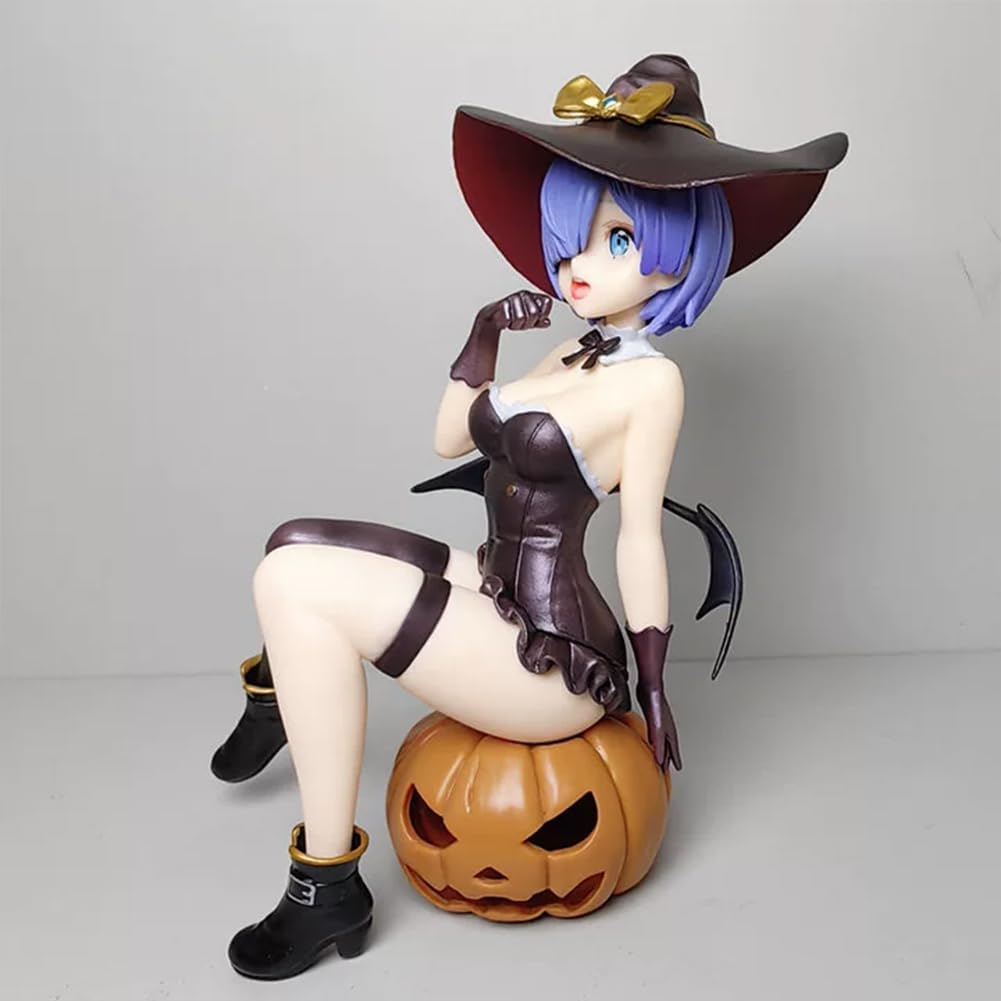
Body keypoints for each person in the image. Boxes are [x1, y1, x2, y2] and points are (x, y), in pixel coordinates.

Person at [217, 54, 848, 980]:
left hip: (552, 658)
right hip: (497, 583)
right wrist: (483, 335)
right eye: (570, 238)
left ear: (682, 250)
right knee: (293, 541)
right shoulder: (566, 352)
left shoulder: (653, 384)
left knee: (293, 585)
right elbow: (448, 437)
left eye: (617, 239)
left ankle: (326, 885)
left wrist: (653, 683)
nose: (579, 264)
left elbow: (638, 537)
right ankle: (287, 695)